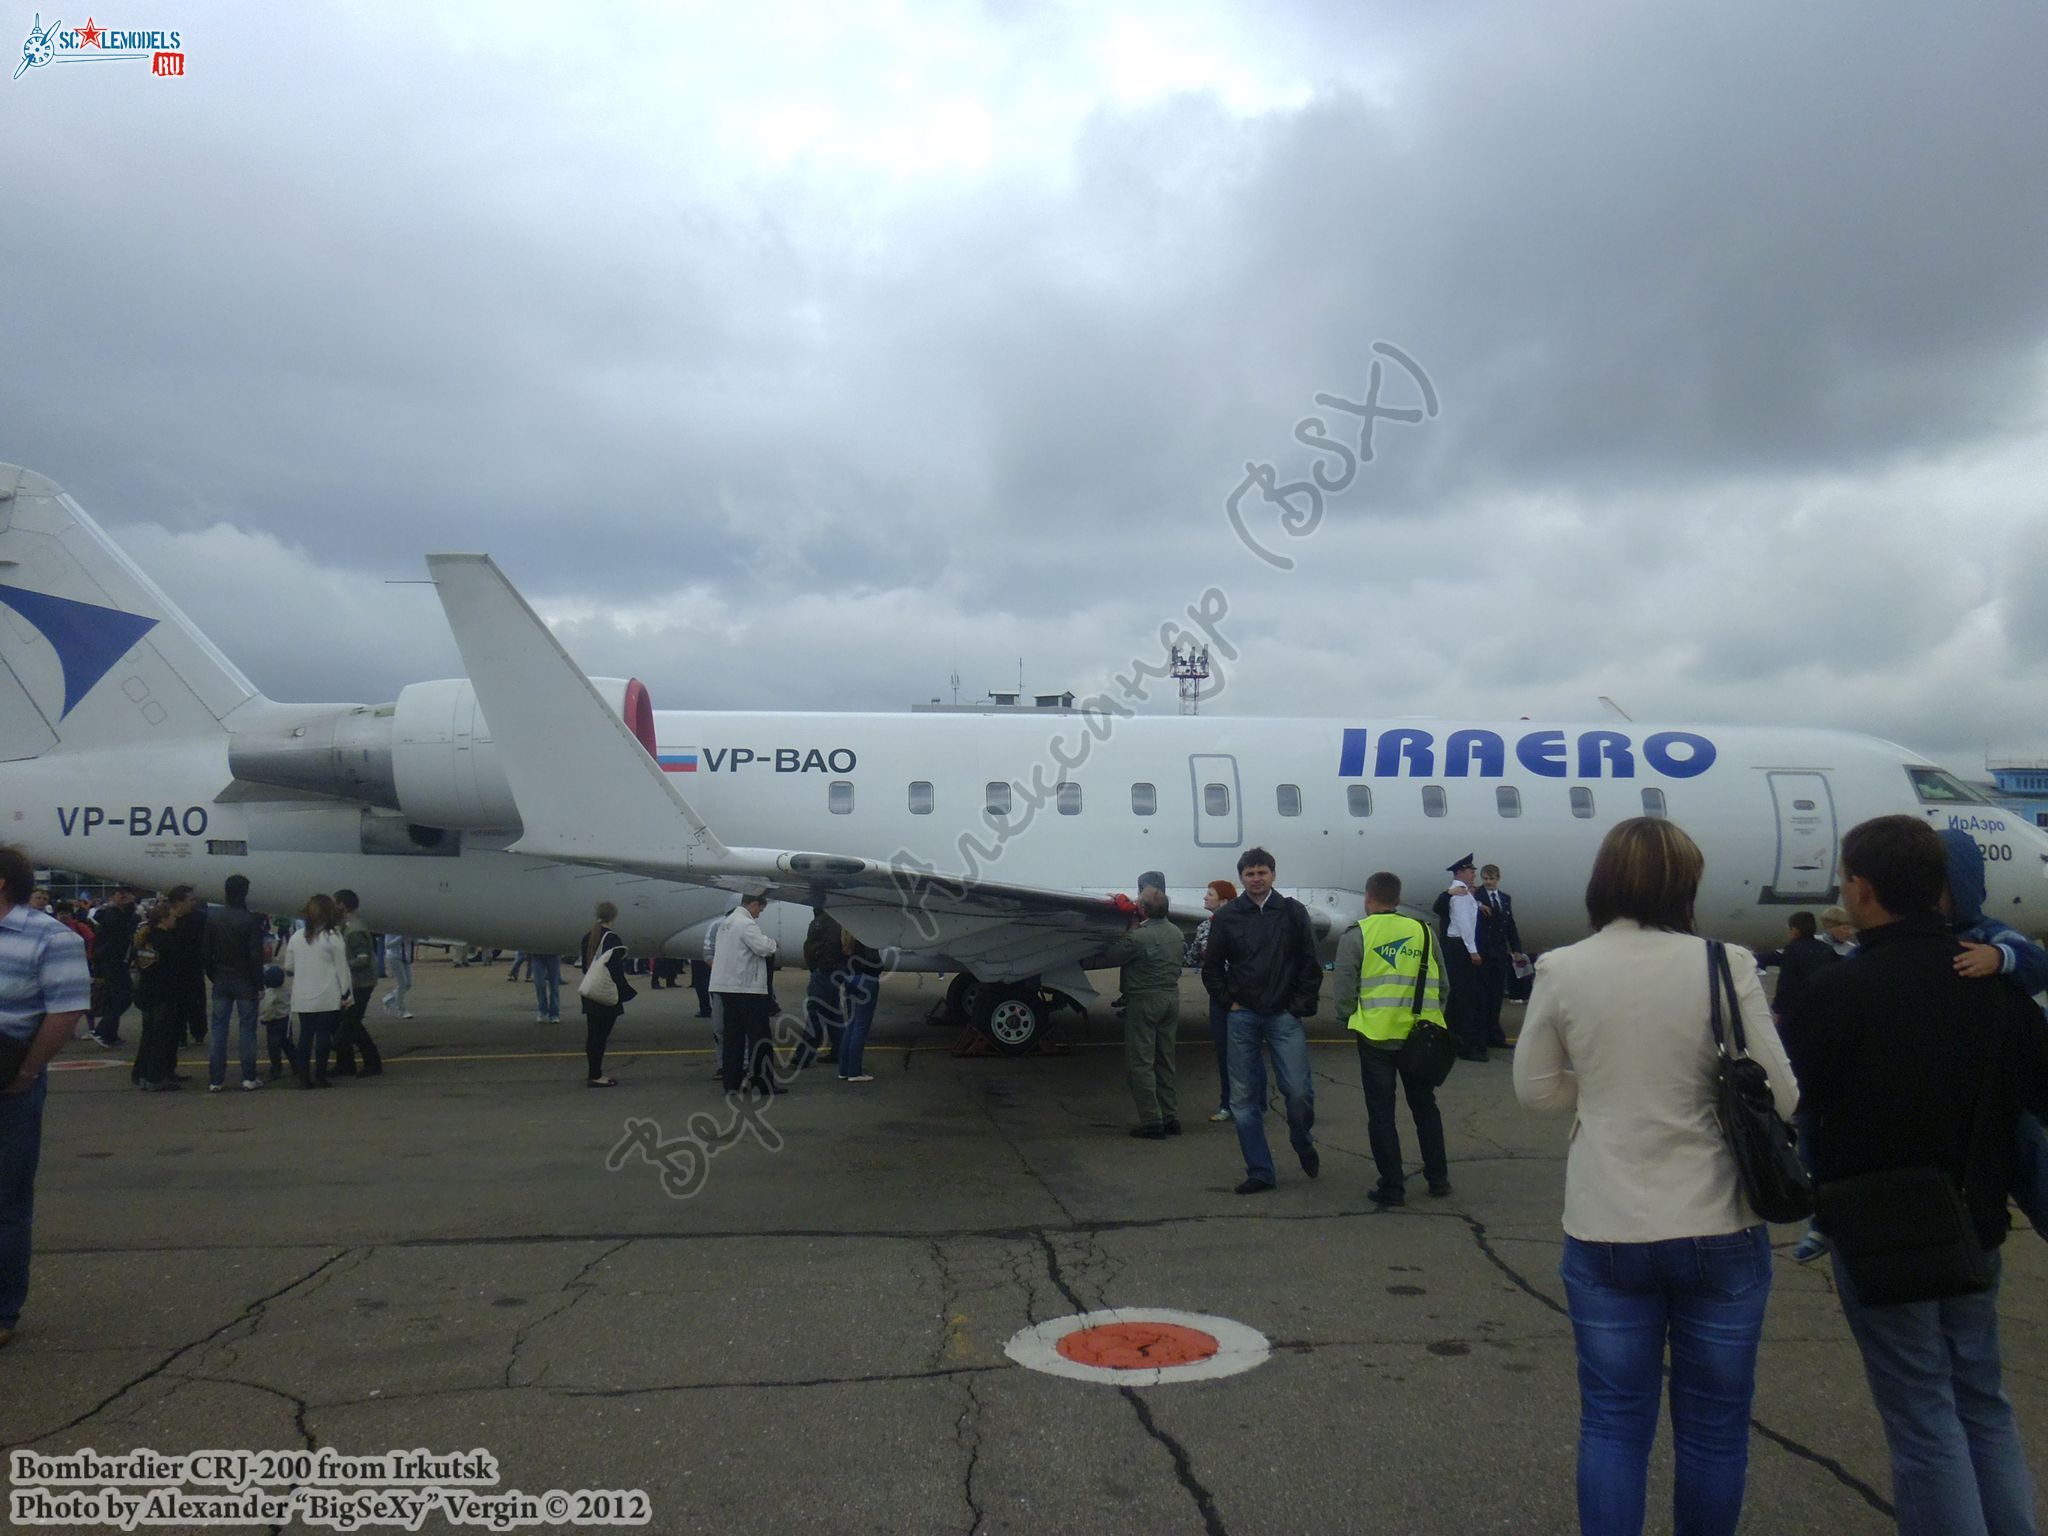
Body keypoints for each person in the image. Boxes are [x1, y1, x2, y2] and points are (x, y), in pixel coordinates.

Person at [1514, 817, 1797, 1536]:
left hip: (1606, 1221)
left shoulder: (1563, 967)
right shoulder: (1724, 963)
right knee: (1713, 1429)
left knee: (1613, 1423)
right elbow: (1784, 1095)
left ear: (1603, 882)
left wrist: (1606, 1093)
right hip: (1717, 1221)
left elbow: (1536, 1091)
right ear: (1686, 885)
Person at [1784, 815, 2048, 1536]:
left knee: (1922, 1413)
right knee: (1981, 1397)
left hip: (1882, 1231)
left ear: (1862, 890)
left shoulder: (1838, 993)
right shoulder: (1995, 986)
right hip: (1976, 1222)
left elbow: (1801, 1101)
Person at [0, 844, 91, 1350]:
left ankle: (2, 1309)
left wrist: (28, 1071)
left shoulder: (49, 937)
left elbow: (66, 1009)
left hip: (10, 1084)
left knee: (7, 1201)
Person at [1200, 847, 1322, 1195]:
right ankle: (1260, 1170)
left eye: (1262, 873)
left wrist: (1297, 1006)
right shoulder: (1227, 918)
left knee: (1298, 1092)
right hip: (1243, 1016)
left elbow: (1310, 964)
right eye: (1250, 874)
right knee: (1243, 1100)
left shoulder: (1293, 913)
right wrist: (1228, 1001)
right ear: (1241, 878)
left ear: (1273, 875)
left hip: (1284, 1015)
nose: (1256, 879)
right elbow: (1212, 969)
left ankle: (1302, 1139)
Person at [1336, 871, 1451, 1205]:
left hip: (1376, 1036)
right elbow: (1443, 985)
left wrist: (1349, 1018)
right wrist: (1431, 1018)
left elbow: (1344, 987)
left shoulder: (1357, 934)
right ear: (1398, 899)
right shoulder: (1424, 932)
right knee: (1426, 1107)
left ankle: (1392, 1186)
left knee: (1382, 1113)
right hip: (1420, 1038)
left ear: (1368, 898)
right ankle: (1438, 1178)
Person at [1101, 873, 1184, 1138]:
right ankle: (1171, 1117)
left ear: (1143, 909)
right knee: (1165, 1060)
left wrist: (1130, 930)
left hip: (1145, 1000)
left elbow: (1112, 954)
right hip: (1171, 999)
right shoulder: (1177, 932)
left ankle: (1152, 1121)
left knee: (1141, 1062)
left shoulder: (1139, 938)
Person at [201, 874, 266, 1091]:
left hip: (222, 978)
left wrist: (214, 975)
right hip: (245, 980)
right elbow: (255, 956)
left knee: (219, 1029)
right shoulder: (250, 920)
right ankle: (248, 1076)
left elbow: (206, 953)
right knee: (247, 1029)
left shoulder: (214, 918)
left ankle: (216, 1079)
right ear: (245, 892)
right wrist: (259, 984)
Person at [712, 890, 780, 1093]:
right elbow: (764, 948)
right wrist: (774, 943)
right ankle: (763, 1081)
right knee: (760, 1037)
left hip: (725, 987)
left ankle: (731, 1082)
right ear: (753, 904)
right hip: (746, 988)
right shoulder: (746, 923)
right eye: (760, 908)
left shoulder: (727, 922)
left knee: (733, 1037)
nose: (759, 913)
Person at [284, 895, 352, 1089]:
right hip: (327, 994)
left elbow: (289, 966)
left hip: (303, 995)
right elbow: (342, 969)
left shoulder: (297, 937)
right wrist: (346, 994)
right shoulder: (333, 937)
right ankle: (321, 1075)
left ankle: (303, 1077)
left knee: (305, 1036)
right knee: (323, 1036)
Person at [1186, 879, 1237, 1123]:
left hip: (1241, 997)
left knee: (1244, 1051)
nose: (1205, 898)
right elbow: (1193, 956)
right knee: (1223, 1050)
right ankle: (1229, 1103)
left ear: (1224, 901)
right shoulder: (1205, 927)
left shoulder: (1243, 925)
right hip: (1219, 997)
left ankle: (1252, 1102)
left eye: (1210, 894)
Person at [130, 894, 193, 1089]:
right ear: (164, 920)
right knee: (161, 1037)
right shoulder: (167, 941)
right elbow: (176, 967)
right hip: (164, 995)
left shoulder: (146, 939)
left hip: (147, 994)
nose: (175, 920)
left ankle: (142, 1073)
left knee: (149, 1036)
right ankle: (156, 1077)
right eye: (172, 917)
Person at [1432, 856, 1488, 1061]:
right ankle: (1466, 1044)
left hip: (1456, 948)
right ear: (1459, 873)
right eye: (1470, 870)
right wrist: (1473, 951)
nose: (1474, 873)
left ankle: (1449, 1040)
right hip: (1461, 949)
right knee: (1465, 998)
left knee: (1455, 998)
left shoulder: (1463, 893)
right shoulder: (1461, 894)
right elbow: (1464, 925)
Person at [577, 903, 633, 1086]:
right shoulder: (612, 939)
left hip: (591, 991)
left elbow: (587, 967)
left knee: (593, 1035)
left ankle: (594, 1072)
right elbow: (615, 969)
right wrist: (625, 991)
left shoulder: (588, 936)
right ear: (614, 916)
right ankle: (596, 1075)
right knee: (601, 1036)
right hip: (605, 993)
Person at [329, 890, 383, 1077]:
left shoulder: (354, 929)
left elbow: (363, 958)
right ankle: (347, 1063)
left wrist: (339, 966)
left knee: (351, 1024)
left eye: (335, 903)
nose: (333, 906)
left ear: (342, 905)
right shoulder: (346, 925)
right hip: (353, 982)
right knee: (351, 1024)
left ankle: (372, 1063)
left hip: (361, 983)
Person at [1753, 911, 1841, 1021]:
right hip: (1824, 1007)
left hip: (1799, 1008)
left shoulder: (1793, 949)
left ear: (1795, 930)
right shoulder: (1827, 949)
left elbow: (1787, 982)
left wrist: (1779, 1008)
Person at [1476, 863, 1525, 1049]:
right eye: (1485, 879)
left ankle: (1494, 1034)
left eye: (1491, 879)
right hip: (1483, 952)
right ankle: (1482, 1036)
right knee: (1482, 997)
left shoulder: (1504, 899)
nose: (1488, 882)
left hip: (1498, 953)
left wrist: (1516, 947)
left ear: (1498, 879)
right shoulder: (1476, 897)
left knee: (1496, 996)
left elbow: (1509, 925)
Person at [90, 887, 140, 1047]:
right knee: (125, 995)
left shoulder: (127, 914)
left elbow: (132, 922)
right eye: (120, 893)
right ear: (112, 897)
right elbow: (118, 925)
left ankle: (109, 1034)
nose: (124, 896)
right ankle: (103, 1030)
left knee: (115, 997)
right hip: (112, 961)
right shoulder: (110, 914)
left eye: (127, 893)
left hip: (118, 961)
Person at [797, 905, 845, 1070]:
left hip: (824, 973)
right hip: (831, 971)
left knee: (816, 1015)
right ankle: (840, 1051)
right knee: (834, 1014)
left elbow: (822, 947)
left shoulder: (823, 921)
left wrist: (820, 968)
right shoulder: (832, 919)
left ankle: (803, 1056)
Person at [838, 925, 884, 1084]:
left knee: (851, 1024)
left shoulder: (845, 937)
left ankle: (843, 1069)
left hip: (851, 978)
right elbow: (873, 961)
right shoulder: (866, 937)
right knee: (861, 1026)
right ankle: (854, 1071)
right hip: (867, 979)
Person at [168, 886, 208, 1045]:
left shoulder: (199, 918)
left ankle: (198, 1032)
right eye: (190, 900)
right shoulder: (169, 919)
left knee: (196, 1002)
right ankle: (180, 1035)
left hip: (193, 967)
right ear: (179, 902)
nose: (193, 903)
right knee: (178, 1004)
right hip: (174, 969)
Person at [258, 964, 291, 1080]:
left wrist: (264, 1019)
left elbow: (267, 1009)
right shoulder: (285, 991)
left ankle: (276, 1069)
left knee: (274, 1048)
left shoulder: (270, 994)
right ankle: (296, 1064)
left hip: (273, 1022)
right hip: (286, 1020)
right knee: (288, 1045)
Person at [381, 933, 416, 1019]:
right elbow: (387, 945)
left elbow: (415, 942)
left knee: (408, 984)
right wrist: (400, 938)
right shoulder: (392, 929)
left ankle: (388, 999)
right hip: (394, 957)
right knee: (402, 984)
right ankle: (401, 1010)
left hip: (405, 957)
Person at [530, 948, 562, 1025]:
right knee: (540, 984)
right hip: (537, 954)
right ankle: (542, 1009)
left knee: (554, 986)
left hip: (553, 954)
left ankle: (554, 1013)